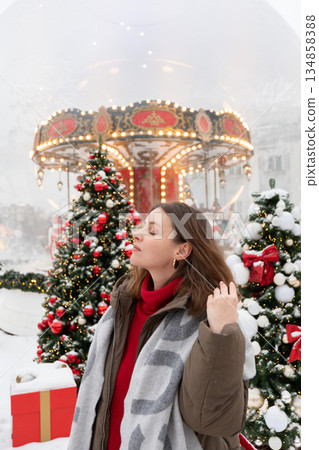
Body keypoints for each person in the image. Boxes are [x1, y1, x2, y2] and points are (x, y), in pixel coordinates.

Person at [68, 201, 256, 450]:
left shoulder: (209, 321)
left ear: (181, 251)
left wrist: (221, 334)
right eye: (143, 226)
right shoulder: (121, 310)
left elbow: (212, 420)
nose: (137, 233)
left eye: (152, 231)